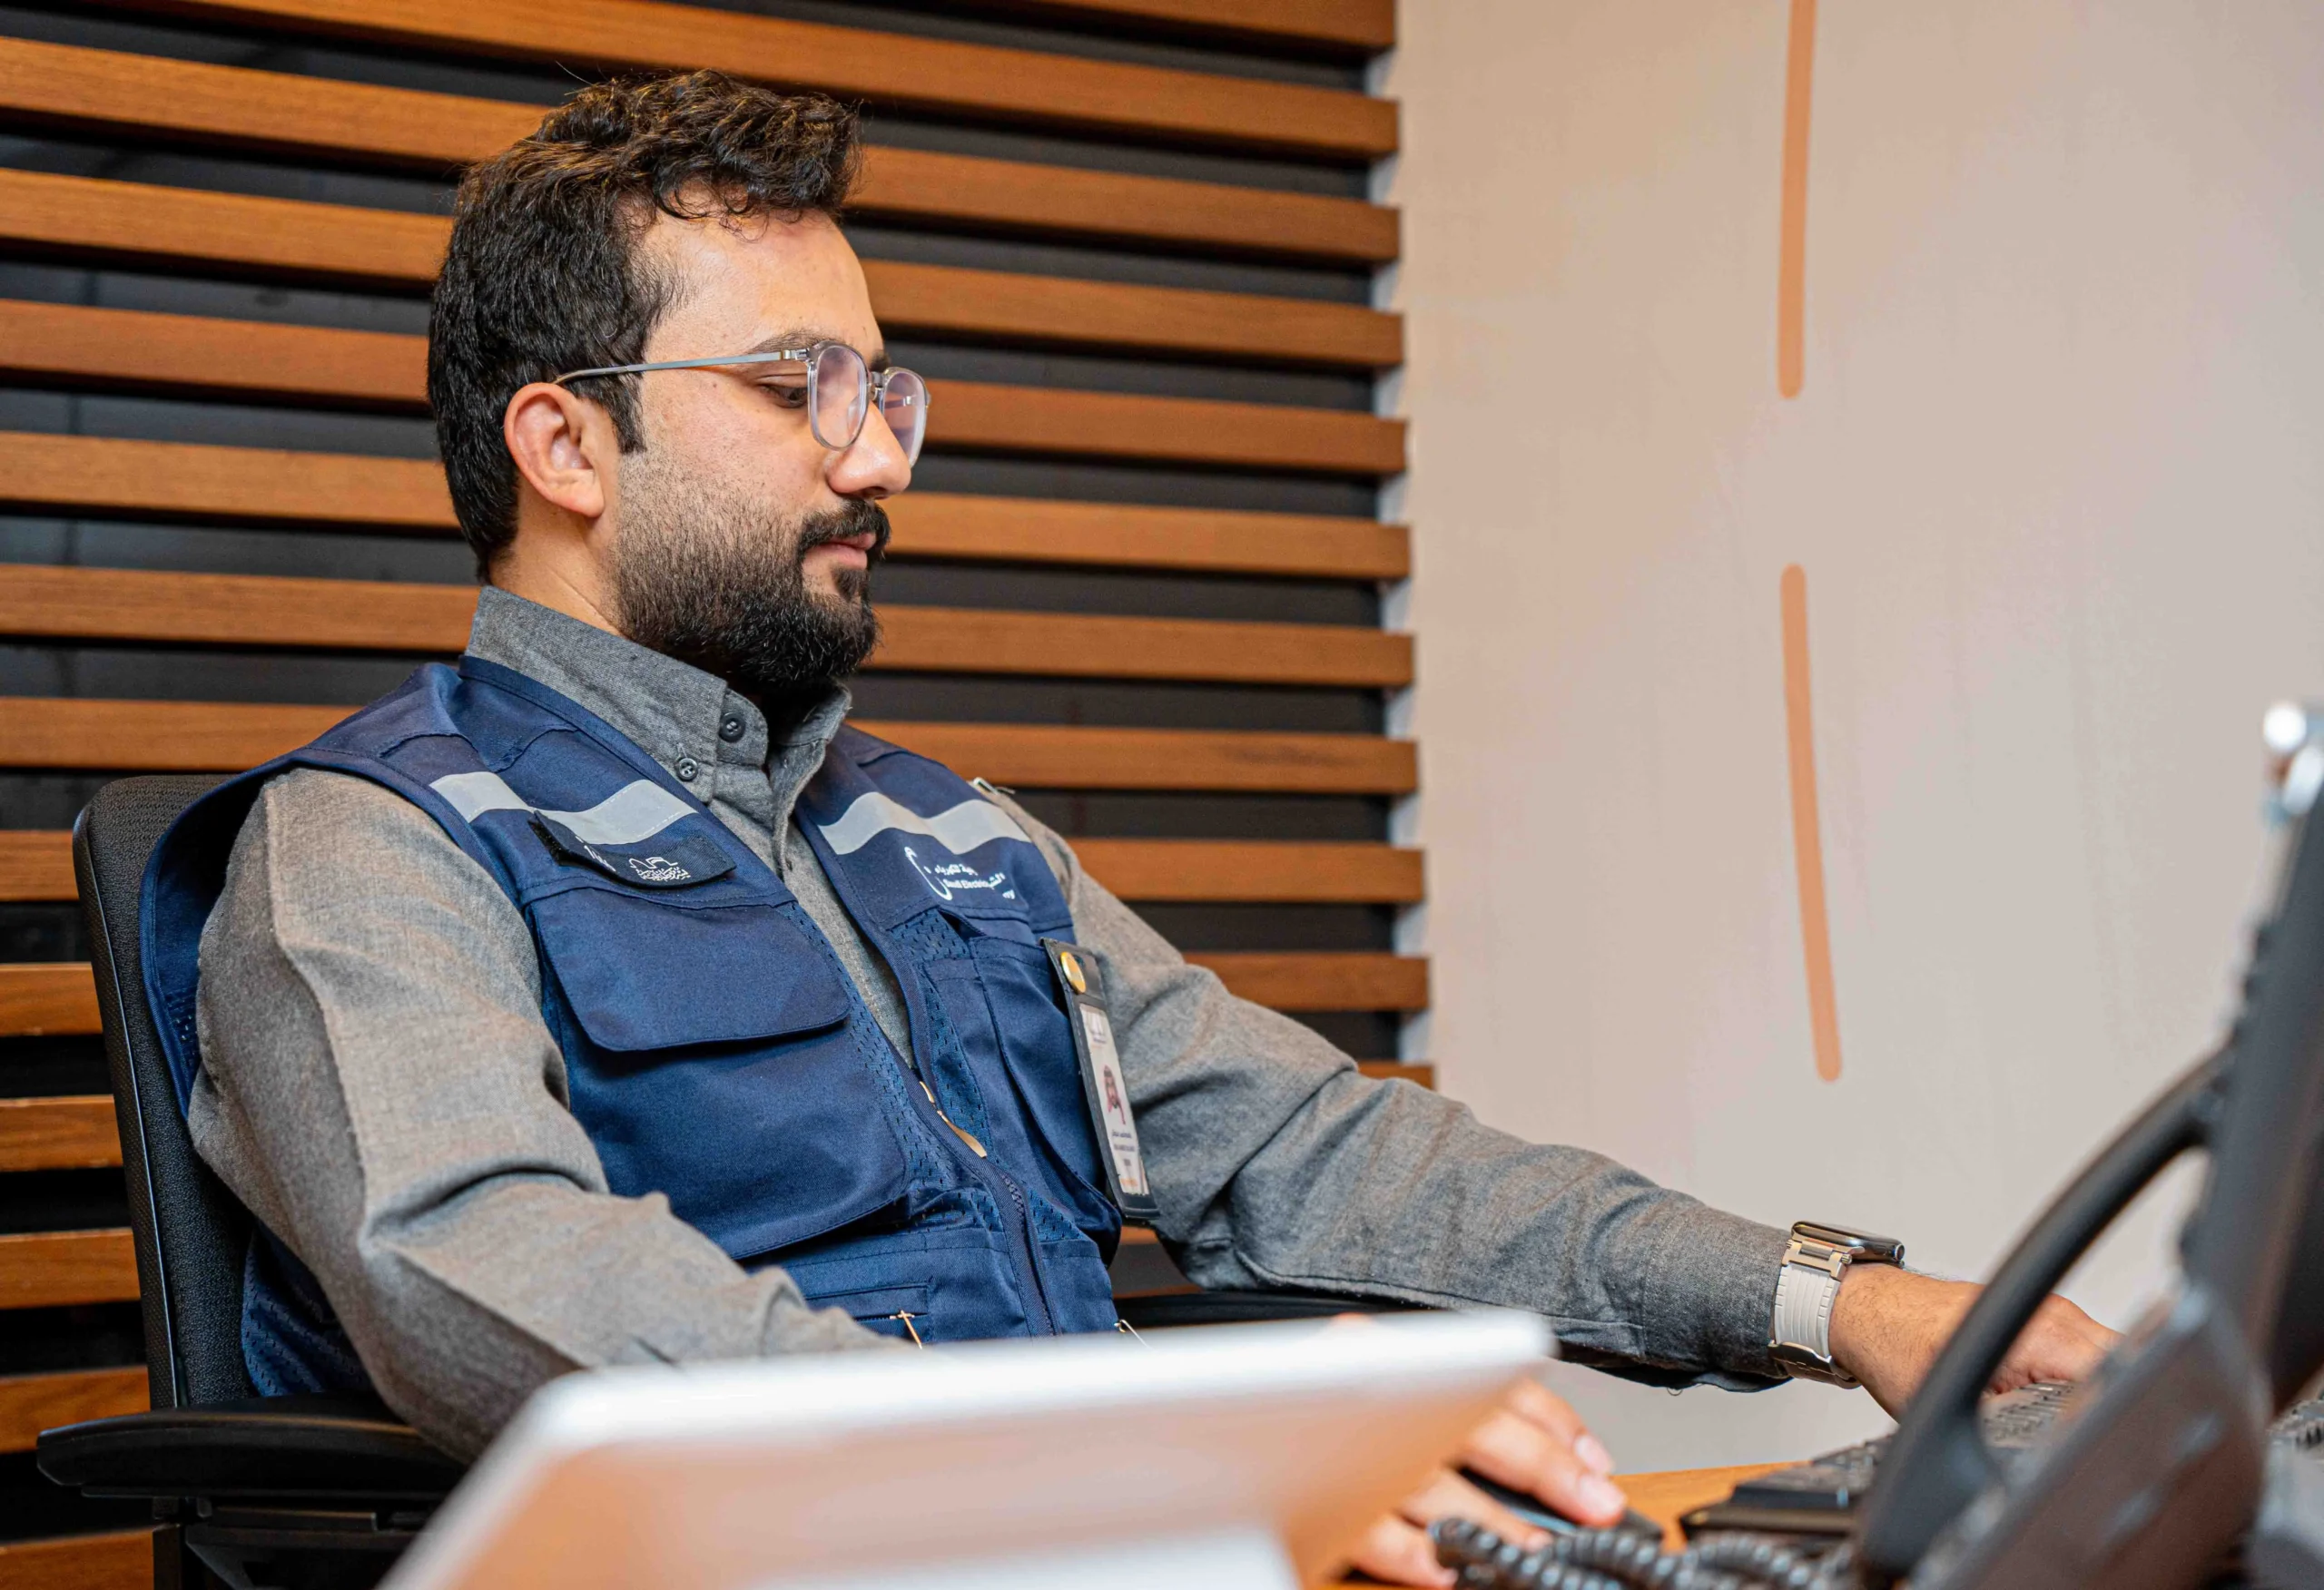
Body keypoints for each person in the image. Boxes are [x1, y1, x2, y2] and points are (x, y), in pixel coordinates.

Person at [143, 72, 2112, 1586]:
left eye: (882, 391)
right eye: (797, 387)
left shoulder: (951, 840)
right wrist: (1112, 1475)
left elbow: (1319, 1148)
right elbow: (471, 1259)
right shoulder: (373, 842)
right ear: (564, 442)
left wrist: (1831, 1300)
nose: (872, 457)